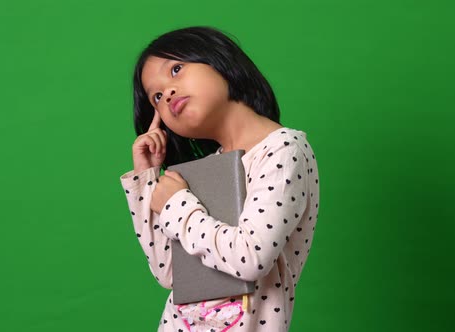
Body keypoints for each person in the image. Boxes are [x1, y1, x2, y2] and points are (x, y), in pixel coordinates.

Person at [120, 26, 320, 331]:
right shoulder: (203, 172)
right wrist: (146, 179)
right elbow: (170, 273)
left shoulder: (283, 149)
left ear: (219, 60)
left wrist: (176, 204)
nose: (167, 93)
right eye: (156, 96)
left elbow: (250, 258)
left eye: (176, 69)